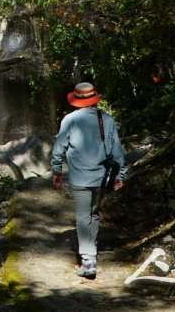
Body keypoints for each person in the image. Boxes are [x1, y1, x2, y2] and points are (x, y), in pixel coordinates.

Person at [50, 81, 127, 279]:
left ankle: (88, 260)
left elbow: (59, 148)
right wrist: (120, 175)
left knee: (84, 216)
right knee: (93, 214)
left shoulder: (70, 120)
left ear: (76, 99)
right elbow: (117, 150)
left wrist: (56, 171)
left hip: (79, 178)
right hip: (101, 178)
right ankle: (90, 252)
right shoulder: (106, 119)